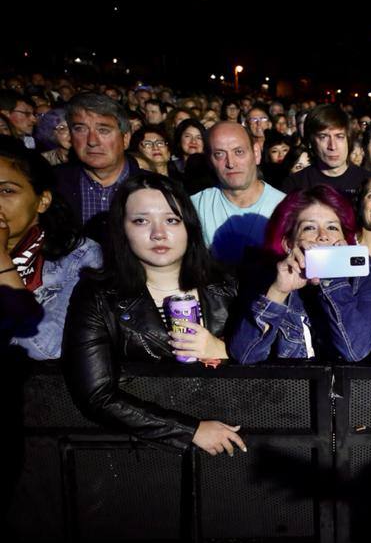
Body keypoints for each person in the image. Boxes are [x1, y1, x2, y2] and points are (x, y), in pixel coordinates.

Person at [62, 172, 245, 456]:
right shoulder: (97, 296)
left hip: (231, 438)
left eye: (171, 220)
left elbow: (280, 361)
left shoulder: (231, 285)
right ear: (121, 230)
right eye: (141, 221)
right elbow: (96, 395)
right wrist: (190, 429)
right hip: (145, 453)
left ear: (189, 227)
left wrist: (224, 349)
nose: (159, 233)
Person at [229, 185, 371, 363]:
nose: (323, 236)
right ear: (288, 243)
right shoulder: (267, 276)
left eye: (332, 228)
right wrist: (278, 292)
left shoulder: (364, 275)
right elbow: (245, 355)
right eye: (310, 228)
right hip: (287, 388)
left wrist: (332, 280)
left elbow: (356, 351)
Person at [0, 137, 103, 359]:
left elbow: (48, 348)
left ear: (42, 200)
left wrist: (2, 262)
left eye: (6, 191)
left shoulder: (78, 256)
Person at [190, 121, 286, 265]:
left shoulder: (285, 208)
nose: (230, 163)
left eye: (239, 152)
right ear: (210, 160)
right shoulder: (195, 206)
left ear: (256, 153)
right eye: (219, 154)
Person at [54, 93, 141, 233]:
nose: (92, 141)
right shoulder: (51, 183)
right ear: (71, 136)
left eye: (103, 130)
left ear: (125, 139)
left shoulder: (157, 189)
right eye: (80, 129)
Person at [281, 104, 368, 203]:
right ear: (310, 142)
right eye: (323, 137)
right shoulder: (295, 184)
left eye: (339, 136)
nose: (332, 146)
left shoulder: (368, 182)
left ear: (348, 140)